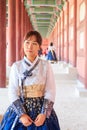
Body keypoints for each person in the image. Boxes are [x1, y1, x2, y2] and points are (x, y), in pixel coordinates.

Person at [0, 31, 60, 130]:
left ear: (39, 47)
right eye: (27, 43)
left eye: (34, 44)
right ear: (23, 44)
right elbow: (12, 91)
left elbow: (50, 90)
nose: (30, 46)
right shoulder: (16, 66)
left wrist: (44, 114)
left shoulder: (46, 66)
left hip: (41, 108)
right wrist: (21, 114)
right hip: (20, 108)